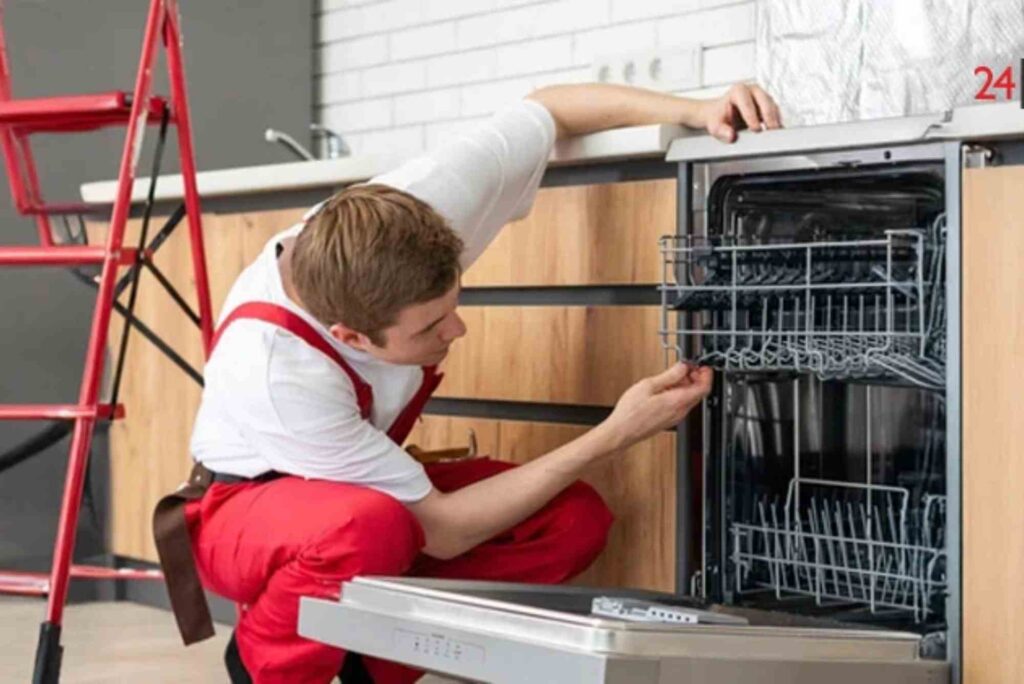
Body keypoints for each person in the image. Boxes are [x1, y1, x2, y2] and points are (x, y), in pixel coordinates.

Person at [156, 82, 782, 684]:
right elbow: (445, 528)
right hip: (240, 510)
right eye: (430, 325)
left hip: (357, 497)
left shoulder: (419, 210)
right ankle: (265, 668)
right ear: (351, 336)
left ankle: (373, 666)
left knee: (569, 519)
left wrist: (696, 109)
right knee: (366, 526)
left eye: (453, 302)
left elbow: (551, 109)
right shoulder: (277, 373)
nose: (457, 329)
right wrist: (614, 434)